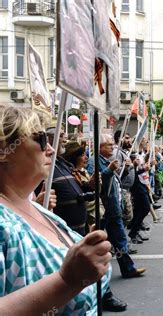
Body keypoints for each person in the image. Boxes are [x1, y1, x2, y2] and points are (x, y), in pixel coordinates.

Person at [0, 106, 126, 314]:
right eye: (41, 139)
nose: (50, 149)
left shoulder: (37, 209)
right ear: (4, 149)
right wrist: (66, 281)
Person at [87, 134, 146, 278]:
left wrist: (123, 169)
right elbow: (93, 183)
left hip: (113, 207)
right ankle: (88, 271)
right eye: (109, 145)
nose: (112, 147)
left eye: (113, 145)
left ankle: (128, 268)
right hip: (102, 209)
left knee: (120, 239)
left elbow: (117, 180)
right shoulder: (93, 161)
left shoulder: (107, 160)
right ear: (99, 147)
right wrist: (108, 170)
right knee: (94, 240)